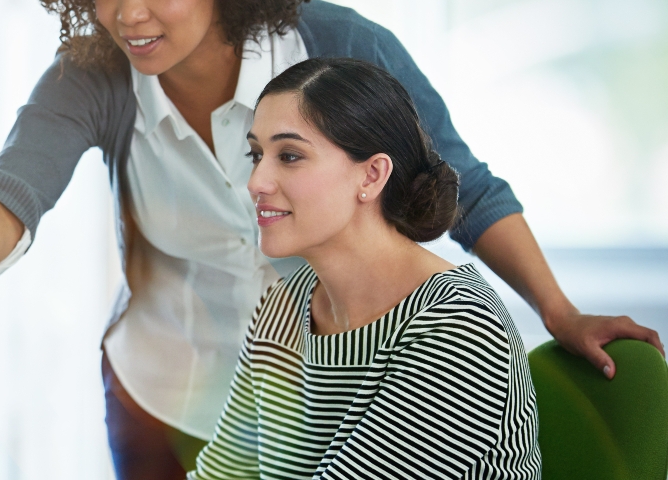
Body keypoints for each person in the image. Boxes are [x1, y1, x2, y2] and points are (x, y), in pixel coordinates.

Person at [0, 0, 661, 478]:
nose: (129, 14)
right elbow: (14, 188)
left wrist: (557, 310)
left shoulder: (339, 51)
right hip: (173, 391)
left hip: (342, 390)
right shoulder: (93, 77)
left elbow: (465, 185)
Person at [189, 57, 540, 480]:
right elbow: (223, 473)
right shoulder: (284, 307)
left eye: (290, 155)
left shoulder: (455, 329)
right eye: (257, 154)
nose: (256, 182)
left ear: (372, 175)